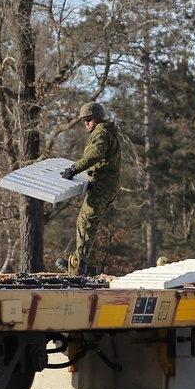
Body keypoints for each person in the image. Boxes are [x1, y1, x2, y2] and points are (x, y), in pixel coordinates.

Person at [60, 102, 121, 274]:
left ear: (97, 118)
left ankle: (80, 263)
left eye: (89, 119)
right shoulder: (105, 131)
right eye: (84, 121)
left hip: (103, 183)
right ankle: (90, 267)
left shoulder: (101, 132)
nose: (86, 123)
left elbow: (95, 154)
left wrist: (74, 169)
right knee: (91, 223)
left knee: (85, 221)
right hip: (107, 183)